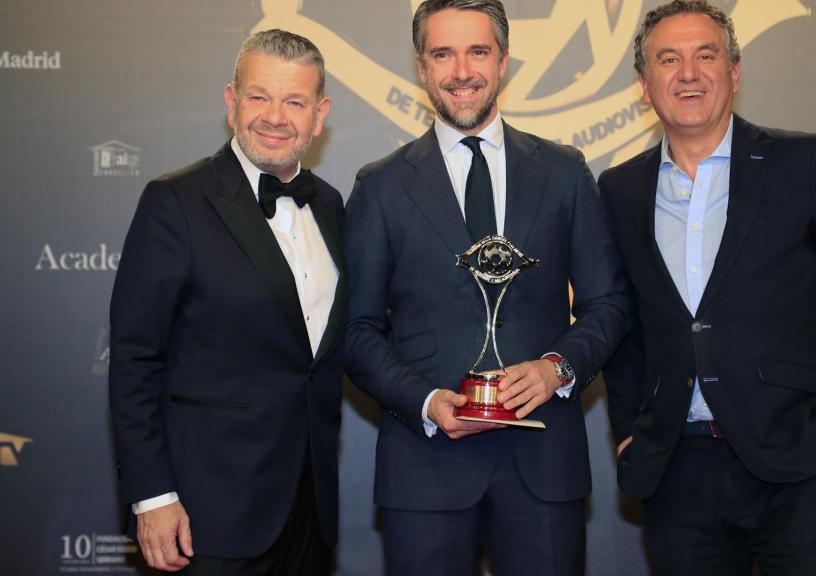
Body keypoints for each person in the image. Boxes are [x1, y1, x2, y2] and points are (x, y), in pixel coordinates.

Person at [599, 1, 816, 574]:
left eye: (706, 55)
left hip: (796, 461)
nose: (688, 73)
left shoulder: (801, 162)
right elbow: (620, 320)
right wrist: (628, 429)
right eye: (668, 60)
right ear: (645, 85)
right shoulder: (619, 190)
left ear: (735, 72)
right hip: (676, 468)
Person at [343, 1, 629, 574]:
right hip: (425, 462)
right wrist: (425, 402)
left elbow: (608, 305)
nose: (461, 70)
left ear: (503, 62)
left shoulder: (565, 171)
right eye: (442, 53)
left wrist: (557, 369)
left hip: (544, 459)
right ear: (421, 68)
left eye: (478, 51)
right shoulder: (379, 187)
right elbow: (356, 331)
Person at [109, 29, 345, 575]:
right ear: (231, 100)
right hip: (205, 513)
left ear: (320, 113)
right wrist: (152, 497)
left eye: (295, 101)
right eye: (259, 96)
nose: (275, 116)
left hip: (308, 513)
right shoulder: (176, 202)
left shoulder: (330, 206)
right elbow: (135, 359)